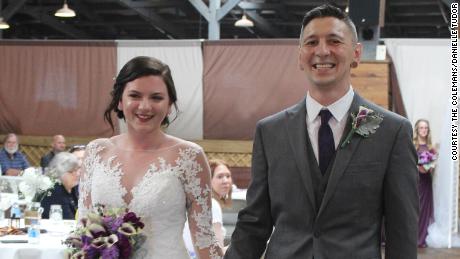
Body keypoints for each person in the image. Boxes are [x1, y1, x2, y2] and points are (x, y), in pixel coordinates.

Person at [225, 4, 419, 259]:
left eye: (335, 41)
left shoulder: (391, 131)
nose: (322, 51)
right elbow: (254, 221)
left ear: (356, 54)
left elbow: (401, 230)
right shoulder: (270, 132)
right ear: (299, 56)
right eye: (312, 42)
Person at [78, 56, 222, 258]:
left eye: (156, 98)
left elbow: (204, 238)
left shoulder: (190, 157)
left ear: (170, 104)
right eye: (135, 96)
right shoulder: (96, 152)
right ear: (120, 101)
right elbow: (85, 229)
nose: (145, 107)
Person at [184, 159, 233, 255]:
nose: (225, 181)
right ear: (208, 180)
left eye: (228, 176)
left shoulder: (200, 201)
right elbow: (216, 253)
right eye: (220, 176)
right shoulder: (212, 204)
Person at [413, 119, 436, 248]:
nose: (424, 130)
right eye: (421, 128)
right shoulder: (412, 145)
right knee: (416, 209)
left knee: (425, 210)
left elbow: (432, 166)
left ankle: (421, 239)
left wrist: (430, 166)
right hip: (415, 181)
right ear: (417, 130)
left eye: (426, 128)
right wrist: (417, 166)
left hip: (426, 182)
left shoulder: (431, 148)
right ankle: (412, 238)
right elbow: (408, 162)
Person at [41, 152, 80, 219]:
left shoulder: (73, 188)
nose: (76, 174)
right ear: (59, 173)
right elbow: (67, 219)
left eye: (76, 170)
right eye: (71, 172)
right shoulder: (54, 191)